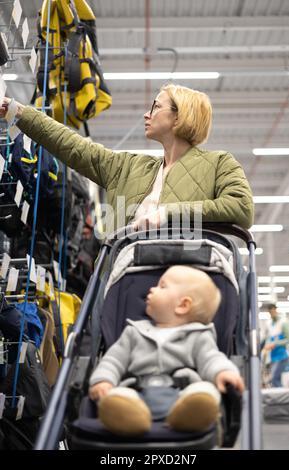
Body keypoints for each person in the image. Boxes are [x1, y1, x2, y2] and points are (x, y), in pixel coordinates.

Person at [0, 84, 254, 238]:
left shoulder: (220, 163)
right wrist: (19, 112)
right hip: (124, 283)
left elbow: (241, 208)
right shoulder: (127, 168)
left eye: (155, 107)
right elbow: (72, 146)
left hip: (185, 283)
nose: (147, 114)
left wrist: (167, 213)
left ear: (179, 118)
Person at [88, 265, 244, 436]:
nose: (151, 289)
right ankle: (128, 418)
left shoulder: (199, 336)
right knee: (117, 396)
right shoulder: (133, 332)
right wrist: (103, 380)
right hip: (136, 393)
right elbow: (113, 360)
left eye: (162, 286)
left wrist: (223, 371)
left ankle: (191, 415)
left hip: (181, 396)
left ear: (183, 305)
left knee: (205, 391)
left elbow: (212, 359)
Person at [262, 303, 289, 387]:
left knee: (275, 378)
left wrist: (275, 343)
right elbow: (266, 338)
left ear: (276, 310)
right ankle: (279, 397)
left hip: (283, 356)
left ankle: (282, 398)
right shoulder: (269, 324)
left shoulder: (283, 323)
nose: (272, 313)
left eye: (273, 310)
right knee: (275, 379)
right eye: (270, 311)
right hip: (273, 356)